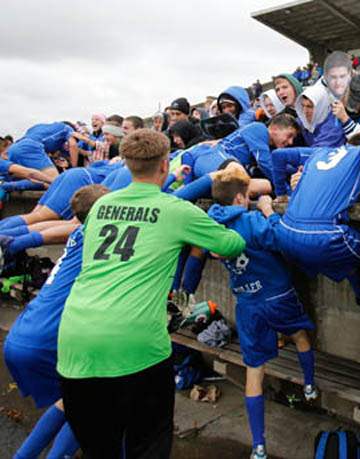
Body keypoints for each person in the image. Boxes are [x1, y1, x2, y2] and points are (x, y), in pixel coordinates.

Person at [56, 130, 246, 457]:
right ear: (163, 165)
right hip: (137, 345)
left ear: (128, 165)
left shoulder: (102, 205)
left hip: (76, 341)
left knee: (100, 449)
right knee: (148, 446)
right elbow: (232, 244)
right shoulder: (174, 209)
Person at [208, 165, 317, 459]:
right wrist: (268, 209)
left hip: (247, 304)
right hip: (277, 294)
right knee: (300, 336)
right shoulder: (251, 220)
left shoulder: (212, 225)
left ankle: (258, 445)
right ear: (242, 199)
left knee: (254, 371)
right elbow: (281, 239)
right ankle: (309, 386)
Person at [4, 184, 109, 459]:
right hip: (47, 335)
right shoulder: (100, 235)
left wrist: (19, 240)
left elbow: (58, 228)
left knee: (73, 403)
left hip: (23, 332)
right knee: (92, 402)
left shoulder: (78, 232)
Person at [271, 144, 360, 313]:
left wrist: (281, 194)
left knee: (348, 251)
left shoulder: (320, 152)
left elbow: (278, 155)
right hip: (322, 236)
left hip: (284, 232)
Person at [295, 83, 345, 148]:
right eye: (303, 106)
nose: (305, 111)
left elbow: (317, 152)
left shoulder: (333, 127)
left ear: (321, 106)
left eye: (309, 107)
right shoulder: (304, 120)